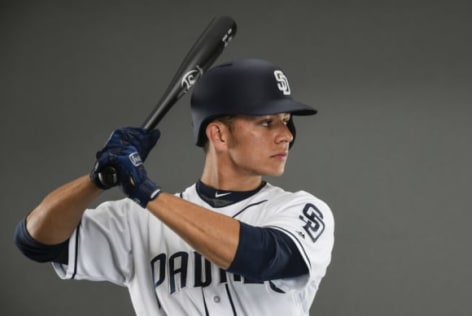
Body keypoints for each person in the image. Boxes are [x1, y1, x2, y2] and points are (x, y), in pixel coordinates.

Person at [15, 58, 334, 316]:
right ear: (219, 135)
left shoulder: (300, 210)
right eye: (267, 122)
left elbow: (266, 256)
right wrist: (95, 181)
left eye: (286, 120)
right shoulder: (135, 221)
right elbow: (35, 241)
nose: (287, 134)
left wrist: (148, 193)